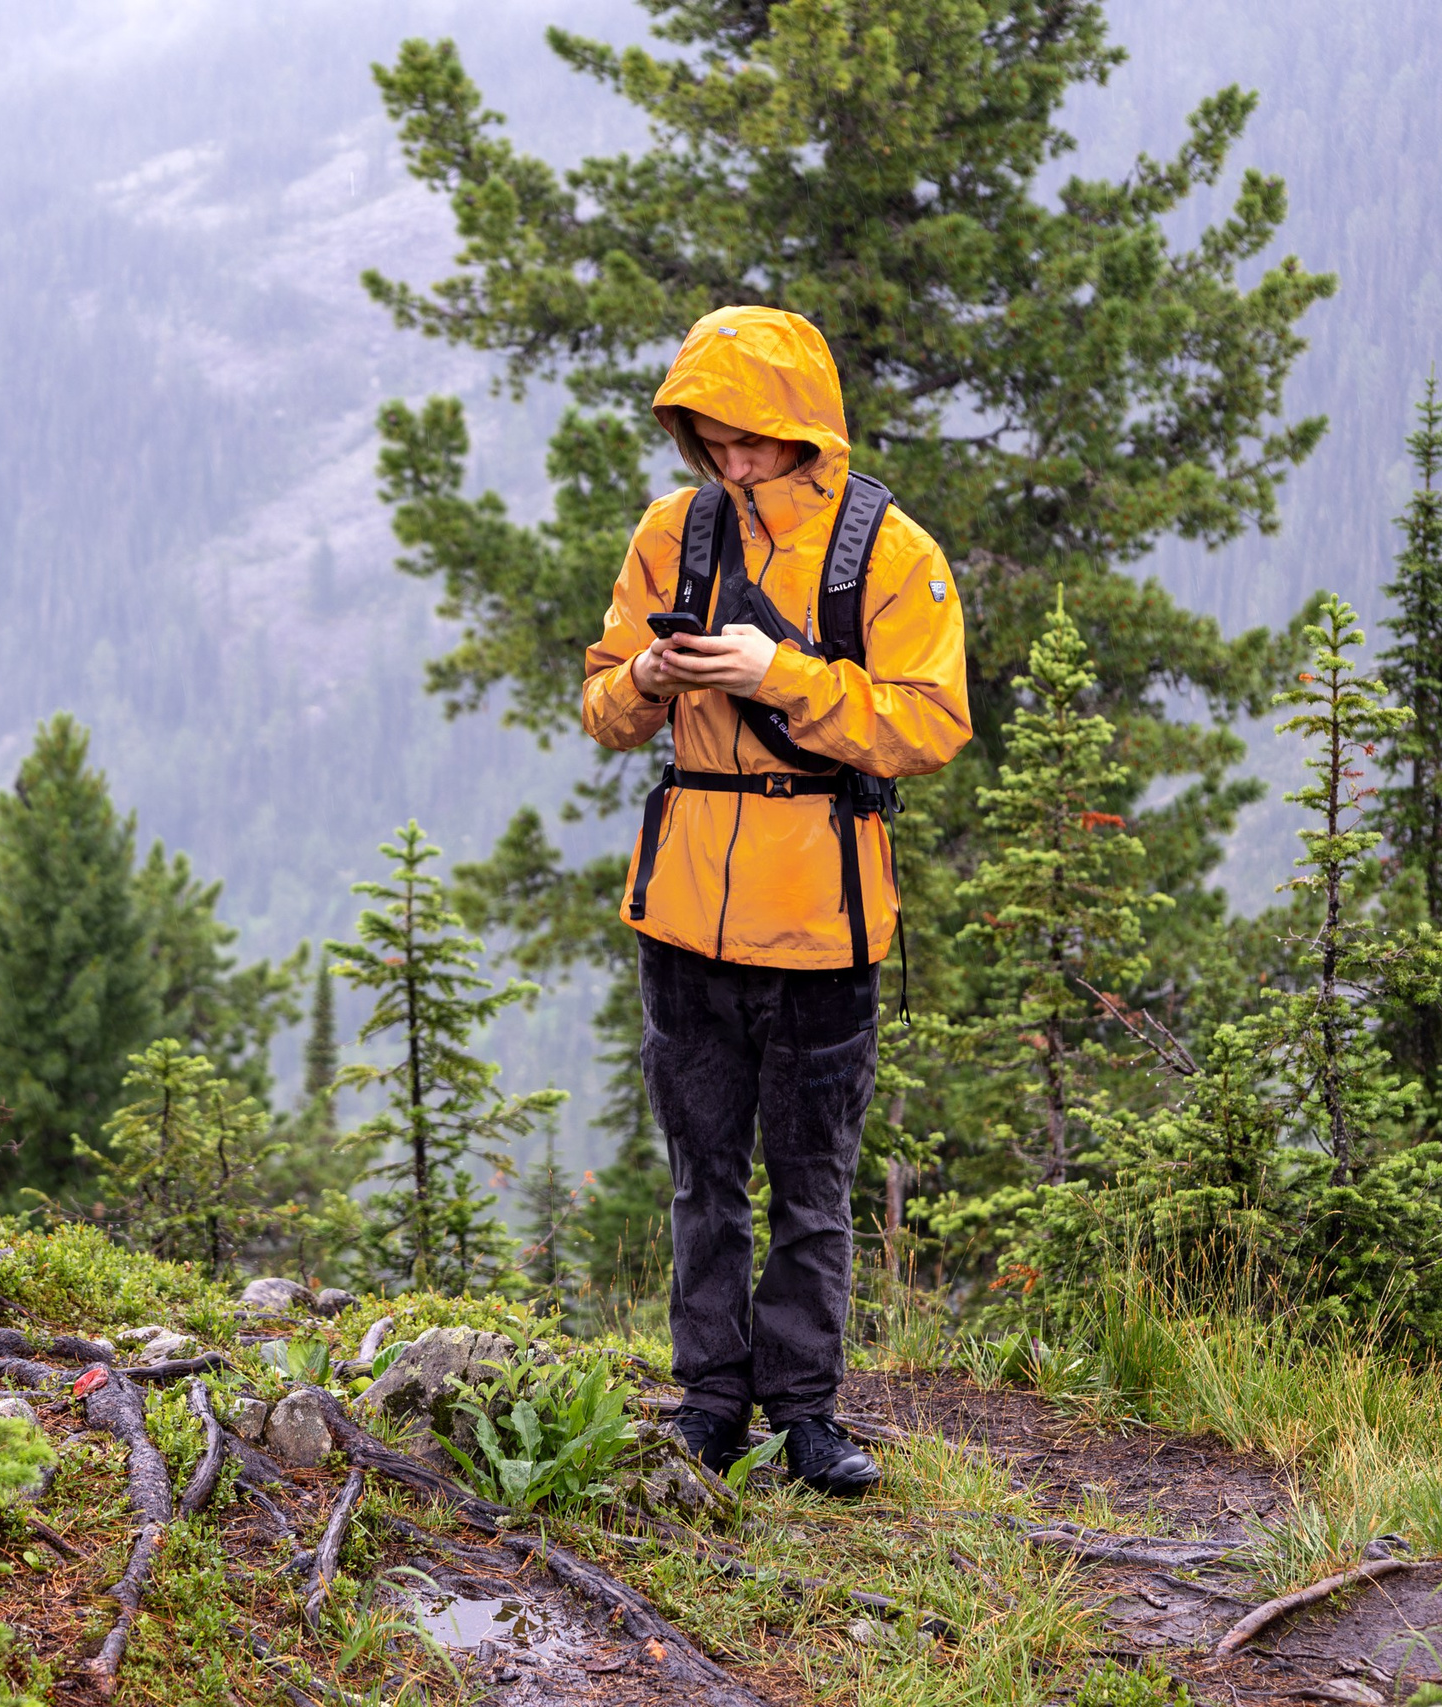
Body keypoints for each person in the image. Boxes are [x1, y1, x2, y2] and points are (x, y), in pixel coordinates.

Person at [581, 306, 970, 1496]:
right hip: (684, 911)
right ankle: (709, 1401)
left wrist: (777, 675)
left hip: (823, 918)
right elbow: (600, 705)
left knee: (809, 1181)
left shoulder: (891, 552)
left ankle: (807, 1414)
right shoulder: (672, 531)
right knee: (703, 1170)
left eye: (750, 439)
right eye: (710, 439)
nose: (731, 462)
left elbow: (928, 724)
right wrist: (644, 675)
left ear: (803, 425)